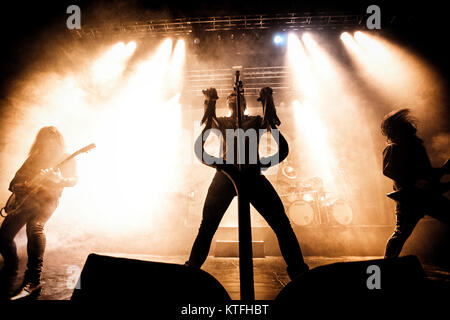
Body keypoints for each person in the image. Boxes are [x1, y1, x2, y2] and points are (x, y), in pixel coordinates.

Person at [185, 87, 309, 280]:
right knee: (207, 226)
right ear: (227, 104)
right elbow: (199, 148)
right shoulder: (221, 122)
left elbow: (282, 147)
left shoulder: (256, 121)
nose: (234, 98)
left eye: (238, 96)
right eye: (231, 97)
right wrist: (219, 164)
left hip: (252, 176)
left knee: (282, 225)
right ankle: (191, 270)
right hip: (226, 177)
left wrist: (264, 162)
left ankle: (299, 272)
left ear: (244, 104)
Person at [0, 126, 78, 300]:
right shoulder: (34, 158)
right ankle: (11, 265)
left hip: (47, 200)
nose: (48, 146)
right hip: (25, 202)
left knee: (35, 228)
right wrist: (18, 186)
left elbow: (74, 180)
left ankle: (33, 280)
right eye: (44, 142)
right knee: (3, 237)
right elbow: (14, 181)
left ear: (59, 142)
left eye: (52, 143)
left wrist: (60, 180)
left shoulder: (66, 158)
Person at [381, 109, 449, 258]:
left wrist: (443, 170)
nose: (411, 127)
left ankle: (387, 265)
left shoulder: (416, 146)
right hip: (409, 198)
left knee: (400, 234)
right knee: (400, 234)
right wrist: (414, 181)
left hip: (424, 197)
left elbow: (426, 173)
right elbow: (388, 170)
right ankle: (386, 265)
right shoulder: (393, 148)